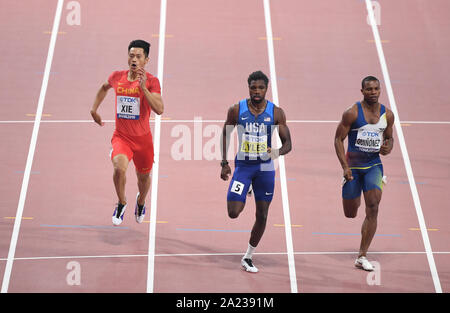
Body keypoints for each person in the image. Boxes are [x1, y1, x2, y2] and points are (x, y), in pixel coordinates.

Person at [220, 71, 292, 273]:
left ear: (266, 89)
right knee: (233, 212)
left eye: (261, 88)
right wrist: (224, 163)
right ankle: (247, 188)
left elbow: (288, 144)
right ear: (248, 87)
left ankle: (248, 256)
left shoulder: (276, 113)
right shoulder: (236, 110)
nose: (257, 91)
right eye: (253, 87)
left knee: (262, 214)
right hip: (243, 166)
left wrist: (275, 152)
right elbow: (225, 134)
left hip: (265, 169)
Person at [90, 39, 164, 226]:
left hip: (143, 141)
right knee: (118, 168)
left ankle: (140, 202)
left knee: (143, 179)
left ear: (146, 60)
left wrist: (143, 88)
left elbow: (160, 109)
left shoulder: (152, 82)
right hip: (121, 137)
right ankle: (122, 202)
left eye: (139, 56)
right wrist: (94, 110)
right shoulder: (117, 76)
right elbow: (103, 88)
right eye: (131, 55)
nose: (134, 59)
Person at [334, 76, 394, 271]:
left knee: (374, 207)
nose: (373, 92)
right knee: (350, 213)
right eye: (369, 89)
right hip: (353, 168)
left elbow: (389, 138)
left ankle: (362, 255)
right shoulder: (352, 113)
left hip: (374, 166)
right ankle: (353, 191)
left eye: (376, 89)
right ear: (362, 91)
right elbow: (337, 139)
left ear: (380, 90)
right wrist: (345, 166)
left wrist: (388, 147)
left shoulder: (388, 115)